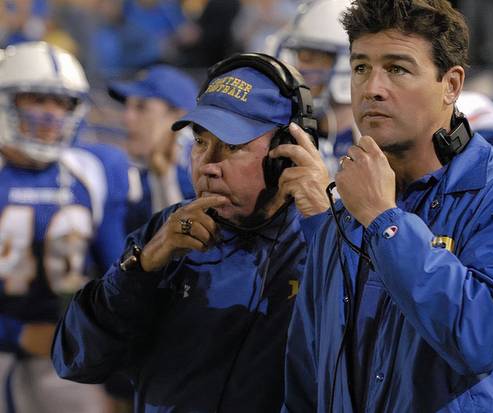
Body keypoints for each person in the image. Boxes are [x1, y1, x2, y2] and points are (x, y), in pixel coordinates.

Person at [281, 1, 493, 411]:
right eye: (361, 67)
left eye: (397, 68)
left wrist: (385, 221)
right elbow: (308, 378)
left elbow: (481, 337)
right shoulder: (347, 211)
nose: (372, 87)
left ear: (451, 85)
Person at [51, 53, 330, 412]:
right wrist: (141, 268)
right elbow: (75, 359)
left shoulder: (326, 241)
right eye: (200, 141)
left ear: (286, 155)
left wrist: (324, 231)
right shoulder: (165, 233)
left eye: (232, 146)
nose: (208, 164)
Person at [0, 41, 127, 412]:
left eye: (62, 103)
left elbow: (117, 276)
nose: (51, 115)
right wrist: (18, 333)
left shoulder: (93, 171)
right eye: (37, 99)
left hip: (66, 347)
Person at [107, 64, 198, 233]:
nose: (126, 118)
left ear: (178, 117)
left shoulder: (199, 174)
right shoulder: (142, 176)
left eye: (141, 107)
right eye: (126, 107)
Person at [274, 0, 358, 174]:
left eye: (312, 56)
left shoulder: (380, 141)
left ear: (347, 63)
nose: (299, 67)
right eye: (300, 55)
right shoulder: (285, 132)